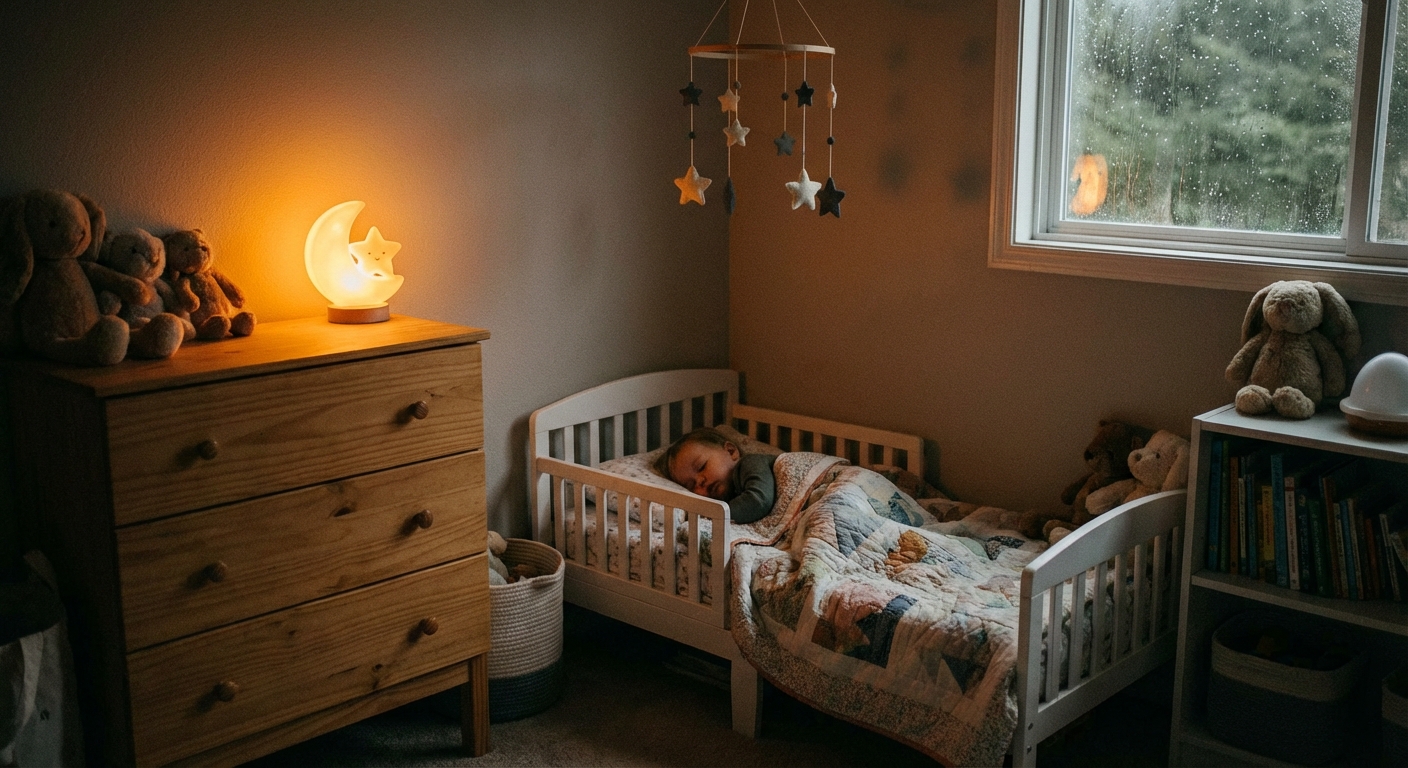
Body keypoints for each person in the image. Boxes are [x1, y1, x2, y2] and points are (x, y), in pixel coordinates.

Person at [653, 427, 777, 523]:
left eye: (702, 467)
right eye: (691, 485)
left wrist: (711, 515)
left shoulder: (751, 462)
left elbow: (759, 501)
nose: (699, 481)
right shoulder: (733, 494)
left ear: (731, 451)